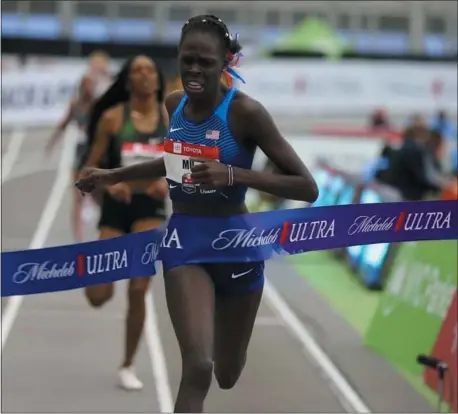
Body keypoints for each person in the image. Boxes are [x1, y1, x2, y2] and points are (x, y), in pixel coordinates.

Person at [76, 15, 318, 413]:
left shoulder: (245, 114)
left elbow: (307, 187)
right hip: (186, 242)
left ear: (225, 61)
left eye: (205, 62)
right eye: (187, 59)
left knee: (226, 372)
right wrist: (113, 175)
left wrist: (233, 174)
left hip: (237, 247)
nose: (194, 69)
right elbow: (172, 163)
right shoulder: (175, 104)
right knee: (198, 366)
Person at [82, 55, 168, 391]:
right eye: (137, 70)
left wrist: (169, 183)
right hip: (117, 210)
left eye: (150, 69)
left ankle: (128, 363)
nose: (145, 75)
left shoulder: (171, 118)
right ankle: (96, 269)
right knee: (98, 295)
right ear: (128, 80)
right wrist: (108, 187)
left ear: (158, 80)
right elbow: (86, 174)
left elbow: (189, 165)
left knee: (138, 286)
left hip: (151, 209)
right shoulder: (112, 119)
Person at [46, 75, 96, 242]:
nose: (89, 89)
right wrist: (52, 143)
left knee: (99, 191)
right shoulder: (75, 106)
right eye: (86, 85)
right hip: (80, 150)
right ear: (81, 87)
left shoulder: (99, 104)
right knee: (76, 193)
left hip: (95, 150)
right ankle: (78, 237)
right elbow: (64, 124)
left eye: (91, 85)